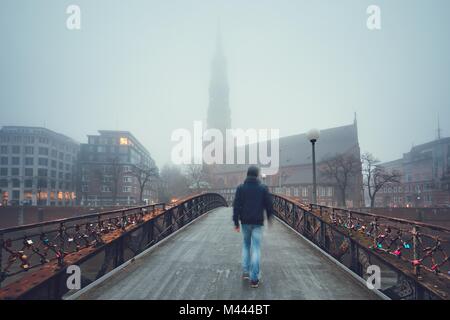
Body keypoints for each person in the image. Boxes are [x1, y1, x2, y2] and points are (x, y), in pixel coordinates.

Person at [232, 165, 273, 288]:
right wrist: (270, 218)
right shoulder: (263, 188)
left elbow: (236, 205)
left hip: (245, 222)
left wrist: (236, 222)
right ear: (257, 175)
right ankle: (254, 279)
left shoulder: (240, 188)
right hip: (257, 222)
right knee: (256, 248)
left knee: (246, 244)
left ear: (247, 174)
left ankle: (245, 271)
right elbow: (269, 204)